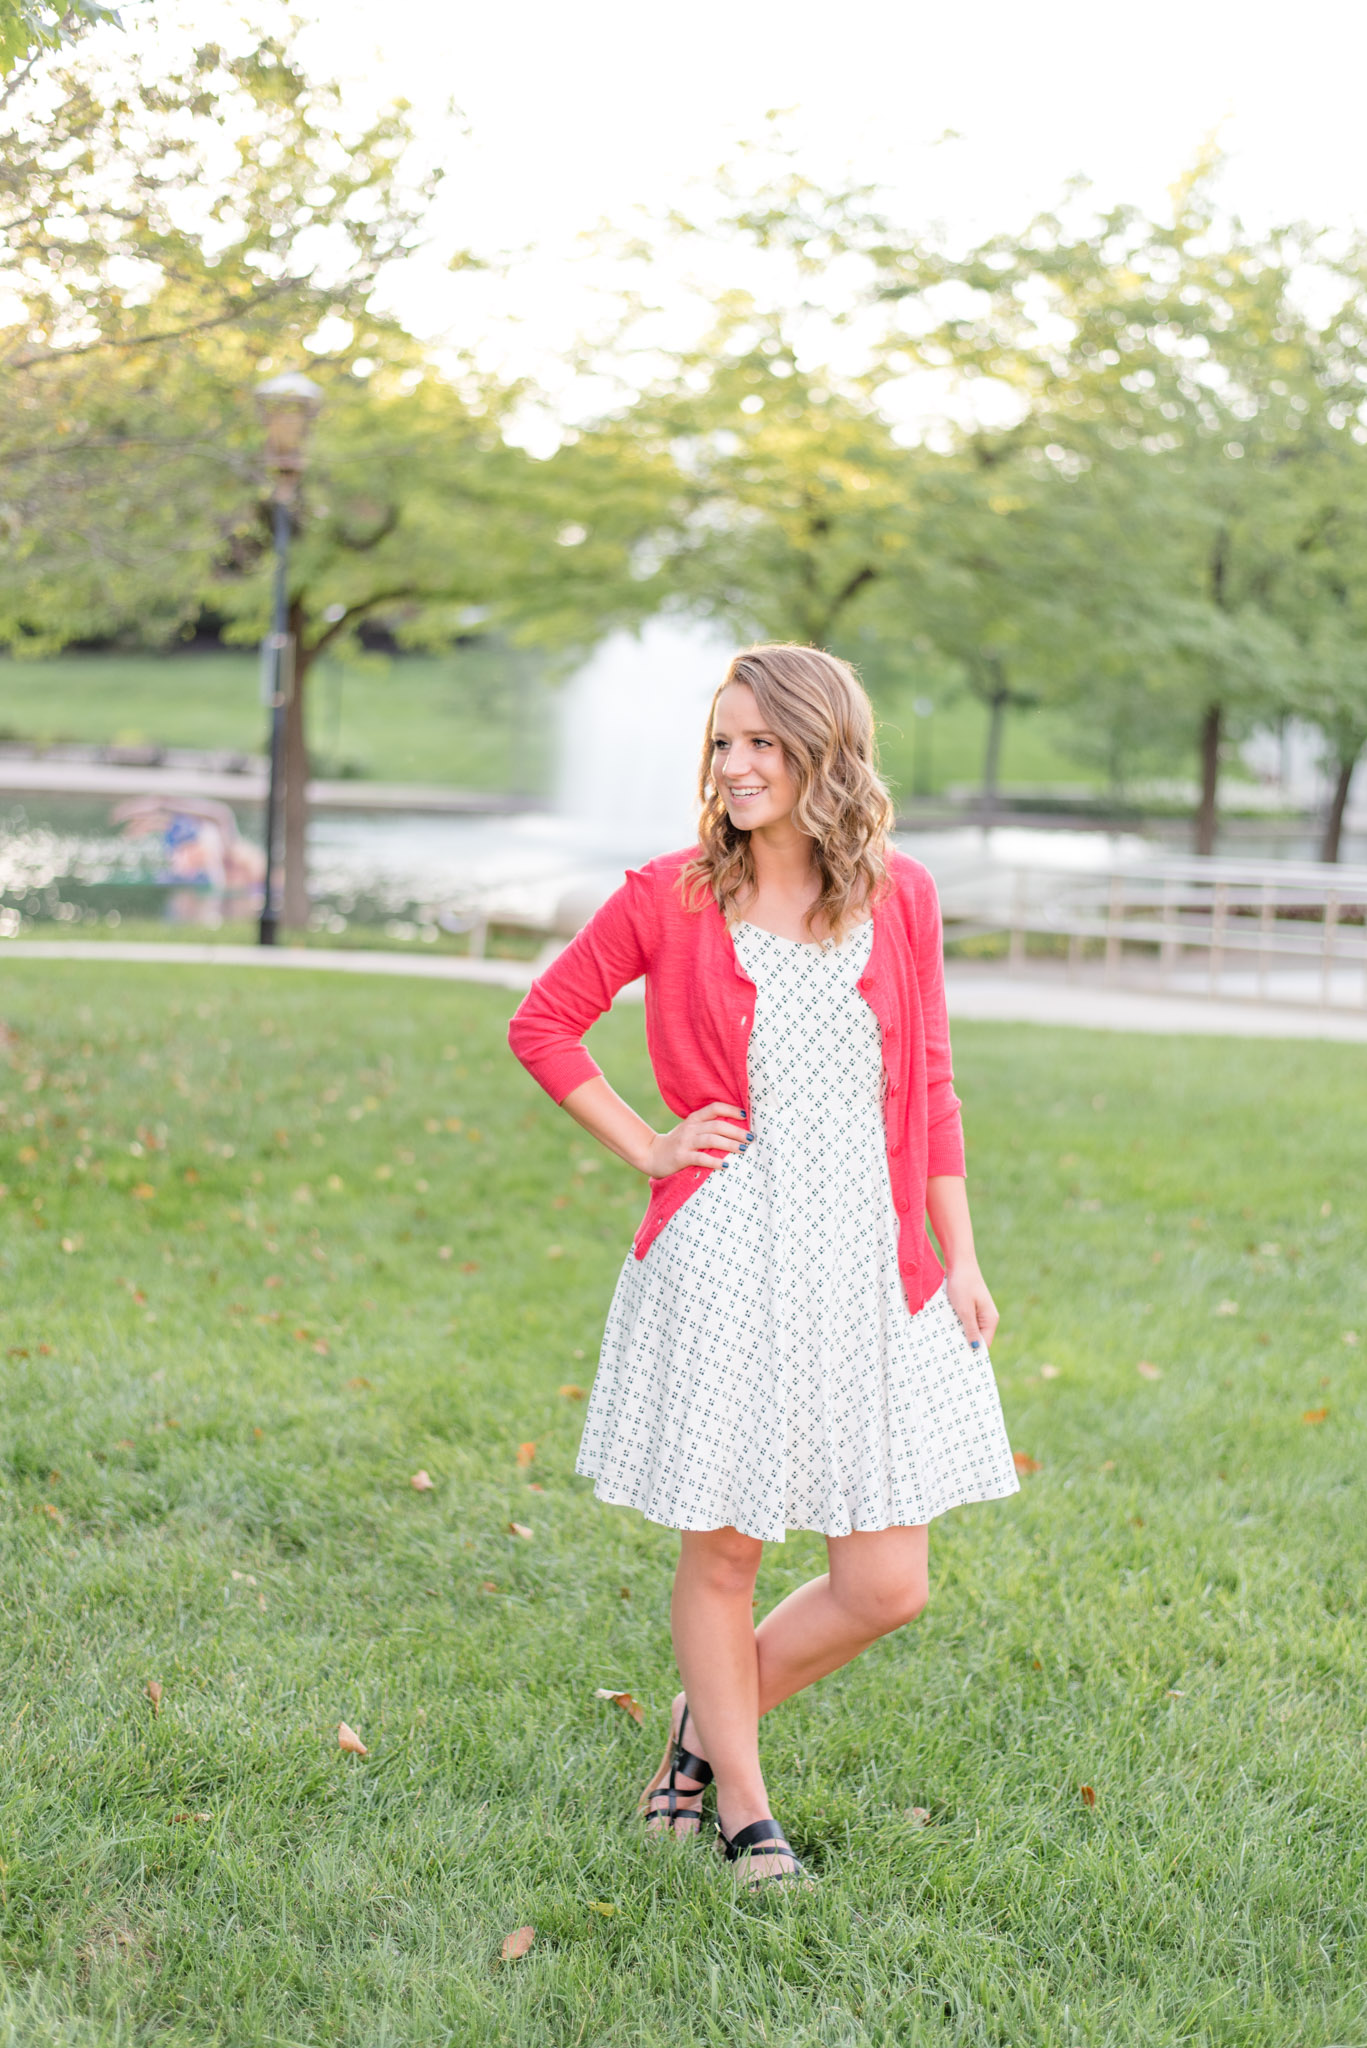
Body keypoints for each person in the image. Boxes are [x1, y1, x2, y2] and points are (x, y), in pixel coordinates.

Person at [508, 643, 1019, 1885]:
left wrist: (959, 1252)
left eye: (760, 743)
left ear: (821, 752)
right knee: (726, 1548)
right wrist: (649, 1142)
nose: (733, 766)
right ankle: (743, 1803)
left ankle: (695, 1725)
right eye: (720, 742)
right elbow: (543, 1021)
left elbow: (933, 1085)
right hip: (728, 1250)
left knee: (887, 1579)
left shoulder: (898, 898)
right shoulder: (668, 896)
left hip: (867, 1260)